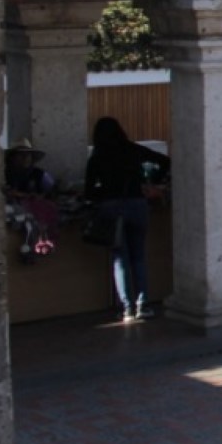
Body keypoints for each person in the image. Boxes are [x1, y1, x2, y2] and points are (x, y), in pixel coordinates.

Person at [82, 116, 170, 323]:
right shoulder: (132, 150)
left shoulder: (97, 157)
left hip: (112, 207)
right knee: (138, 255)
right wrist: (151, 183)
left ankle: (127, 308)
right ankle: (143, 304)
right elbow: (165, 161)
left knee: (120, 258)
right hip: (138, 204)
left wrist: (103, 194)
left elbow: (88, 191)